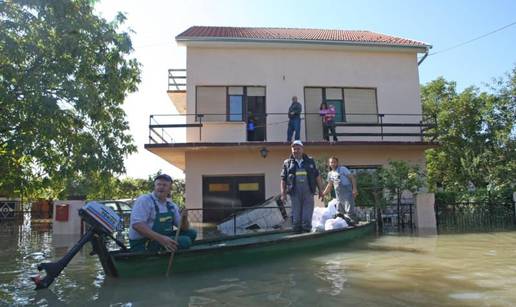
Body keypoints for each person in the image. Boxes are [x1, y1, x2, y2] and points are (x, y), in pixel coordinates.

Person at [129, 174, 197, 252]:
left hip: (161, 239)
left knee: (192, 233)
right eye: (158, 184)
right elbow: (137, 225)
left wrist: (184, 217)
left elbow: (184, 228)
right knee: (186, 241)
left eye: (164, 185)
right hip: (143, 243)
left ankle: (170, 251)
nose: (161, 187)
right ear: (154, 187)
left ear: (170, 189)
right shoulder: (144, 200)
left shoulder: (171, 205)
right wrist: (162, 239)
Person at [280, 140, 325, 233]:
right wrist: (283, 194)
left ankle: (306, 232)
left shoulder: (310, 161)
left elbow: (317, 176)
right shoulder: (287, 163)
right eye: (294, 149)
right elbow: (283, 179)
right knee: (296, 215)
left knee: (307, 213)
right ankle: (296, 232)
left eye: (298, 148)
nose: (296, 150)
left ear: (302, 149)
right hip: (294, 192)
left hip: (308, 191)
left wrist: (321, 190)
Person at [322, 157, 358, 224]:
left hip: (347, 192)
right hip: (338, 195)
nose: (333, 164)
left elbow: (352, 178)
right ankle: (343, 224)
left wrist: (354, 189)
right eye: (331, 162)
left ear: (337, 163)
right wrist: (323, 193)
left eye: (334, 162)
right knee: (340, 212)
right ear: (329, 164)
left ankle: (354, 224)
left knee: (349, 210)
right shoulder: (330, 174)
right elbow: (329, 185)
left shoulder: (343, 169)